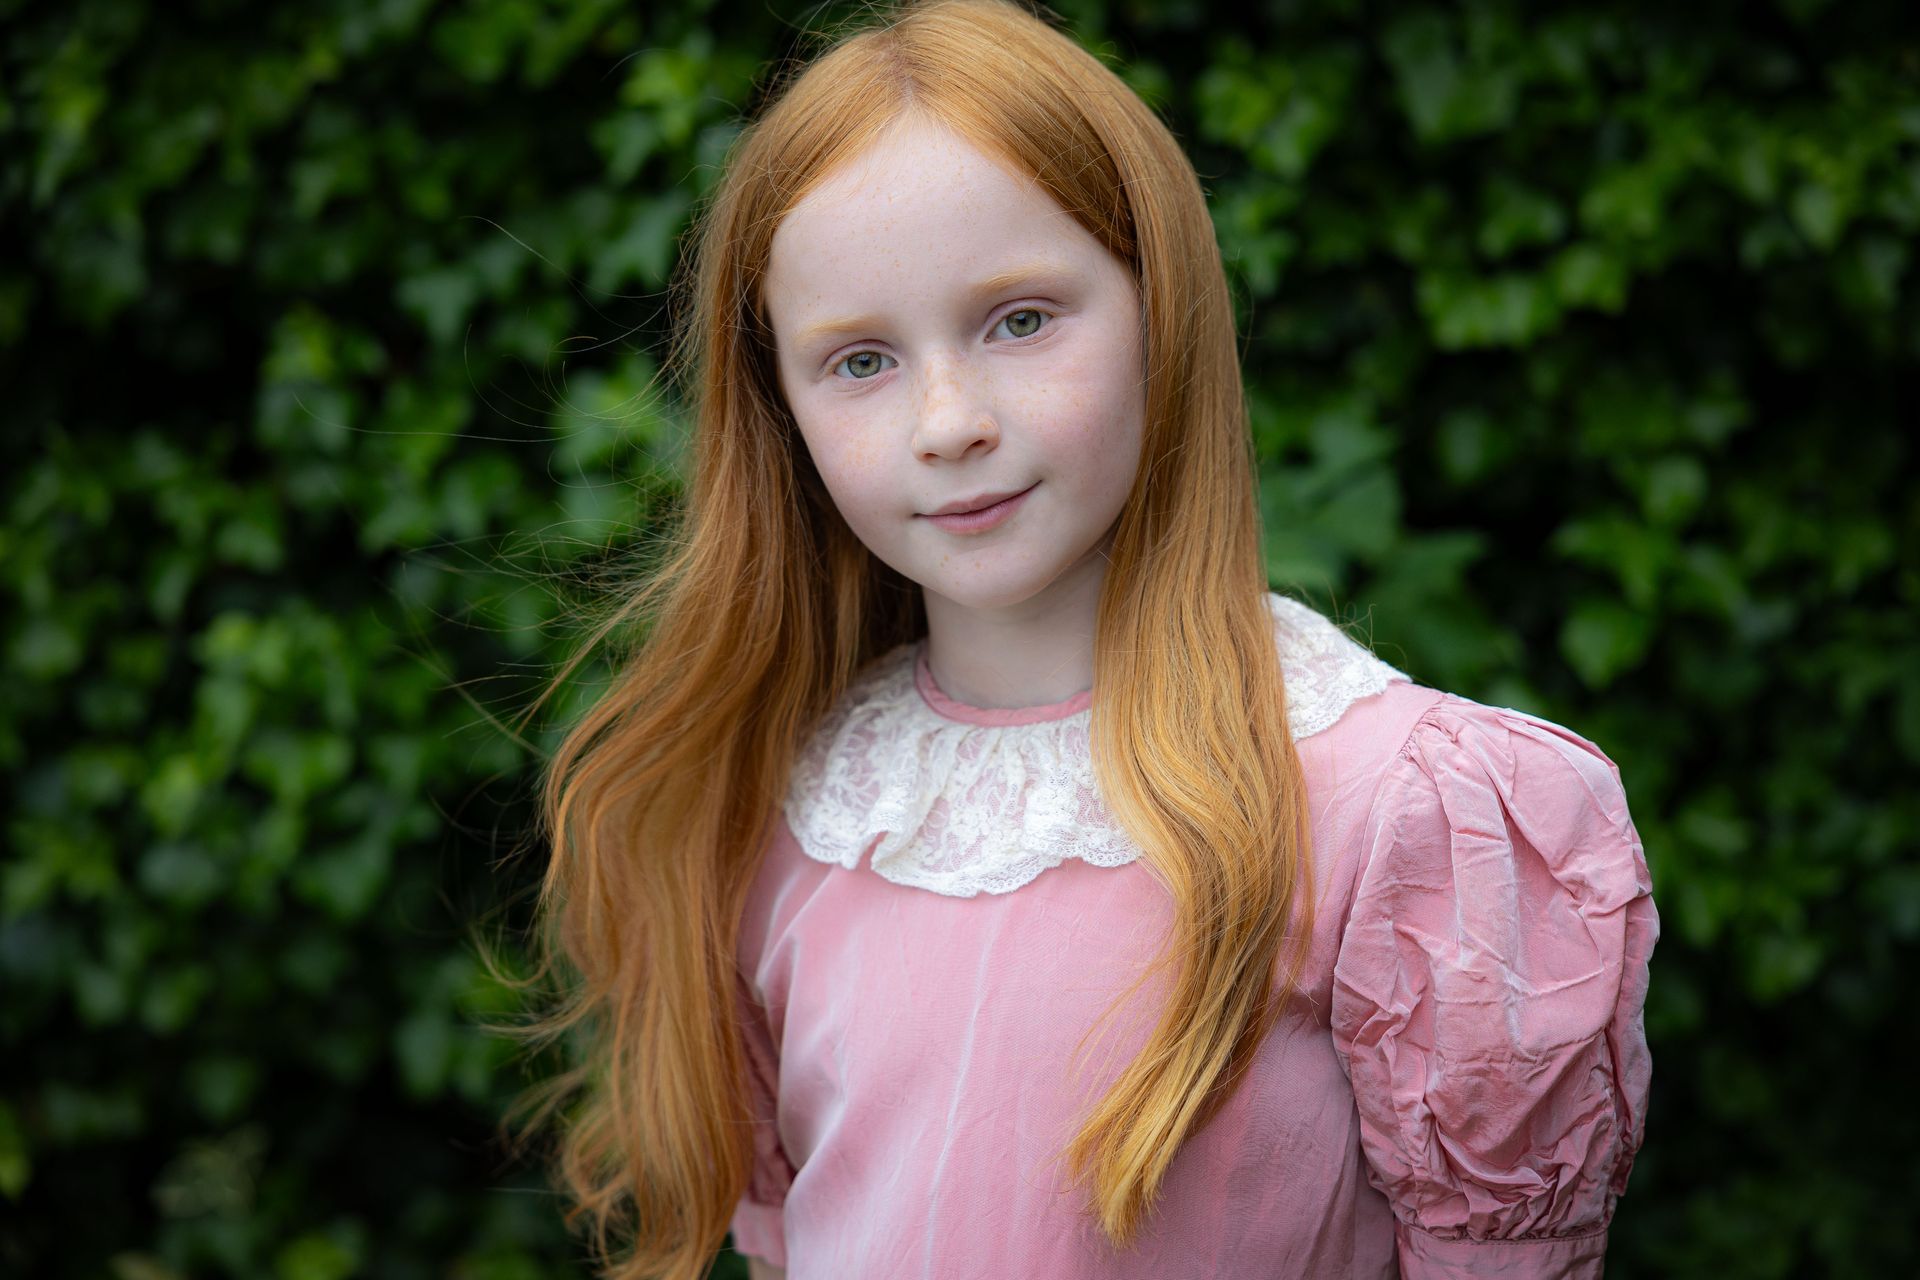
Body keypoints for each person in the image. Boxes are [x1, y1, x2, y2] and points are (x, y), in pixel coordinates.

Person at [511, 1, 1661, 1277]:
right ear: (777, 408)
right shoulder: (794, 802)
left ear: (1161, 308)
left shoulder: (1393, 804)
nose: (948, 422)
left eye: (1020, 319)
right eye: (859, 360)